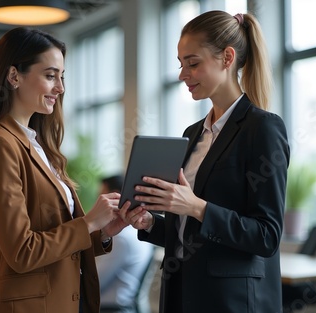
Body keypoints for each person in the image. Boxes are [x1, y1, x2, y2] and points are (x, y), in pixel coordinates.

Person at [120, 11, 290, 313]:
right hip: (182, 293)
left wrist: (196, 206)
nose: (182, 74)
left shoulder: (262, 128)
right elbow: (190, 233)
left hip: (232, 301)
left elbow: (267, 236)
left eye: (193, 63)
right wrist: (150, 223)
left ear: (227, 58)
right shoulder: (193, 133)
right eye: (181, 63)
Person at [0, 27, 126, 313]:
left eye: (61, 76)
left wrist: (102, 231)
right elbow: (22, 252)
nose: (61, 87)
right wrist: (88, 223)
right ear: (14, 76)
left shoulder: (36, 144)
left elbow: (54, 237)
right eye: (50, 75)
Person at [96, 175, 154, 312]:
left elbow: (96, 282)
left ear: (115, 197)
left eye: (101, 197)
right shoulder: (137, 233)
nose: (96, 203)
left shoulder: (121, 238)